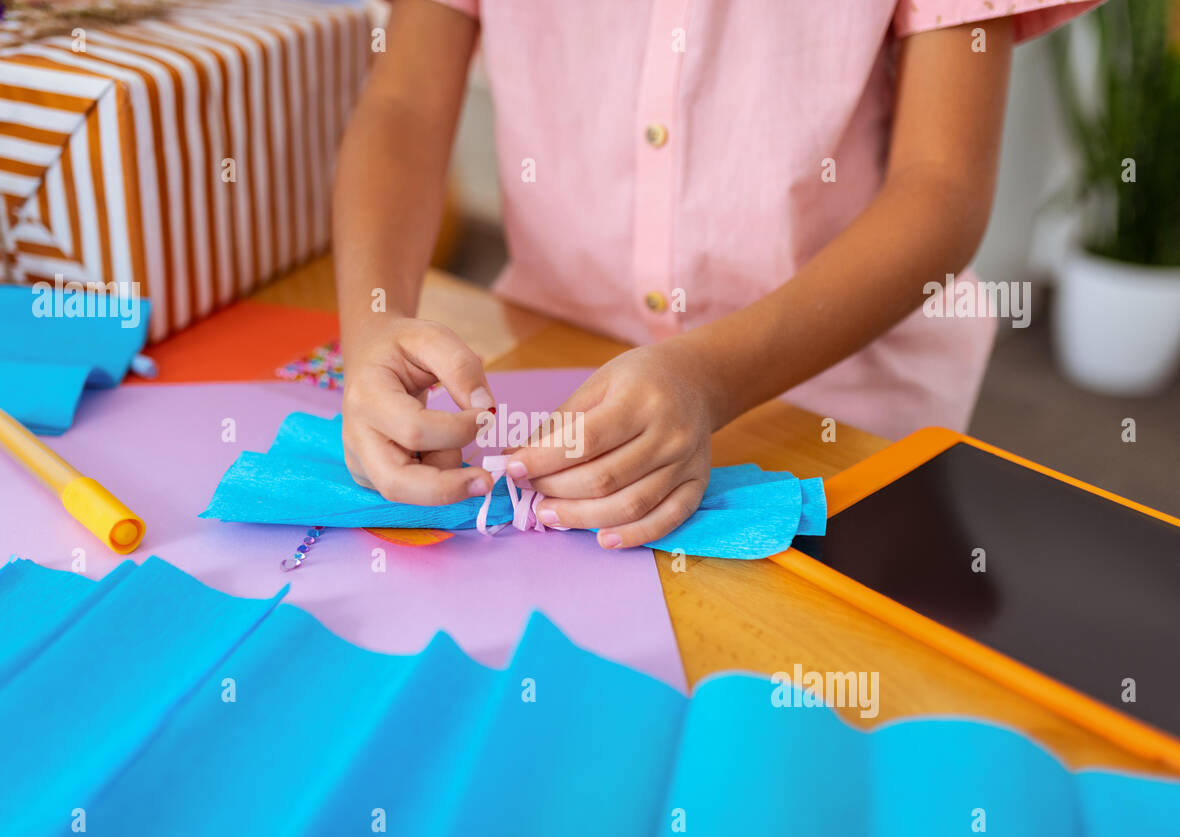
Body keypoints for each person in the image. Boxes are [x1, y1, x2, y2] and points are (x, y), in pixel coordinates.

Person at [333, 0, 1101, 548]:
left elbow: (944, 190)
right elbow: (402, 101)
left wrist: (708, 378)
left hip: (842, 398)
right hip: (551, 361)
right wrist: (371, 325)